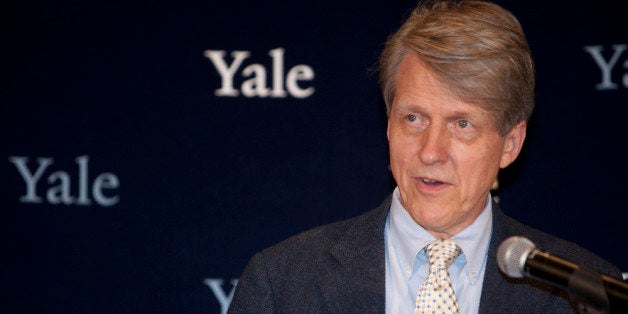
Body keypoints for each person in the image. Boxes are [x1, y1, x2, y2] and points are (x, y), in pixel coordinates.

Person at [228, 0, 623, 313]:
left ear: (510, 143)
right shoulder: (283, 283)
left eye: (462, 124)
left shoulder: (581, 293)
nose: (430, 151)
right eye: (413, 118)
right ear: (388, 124)